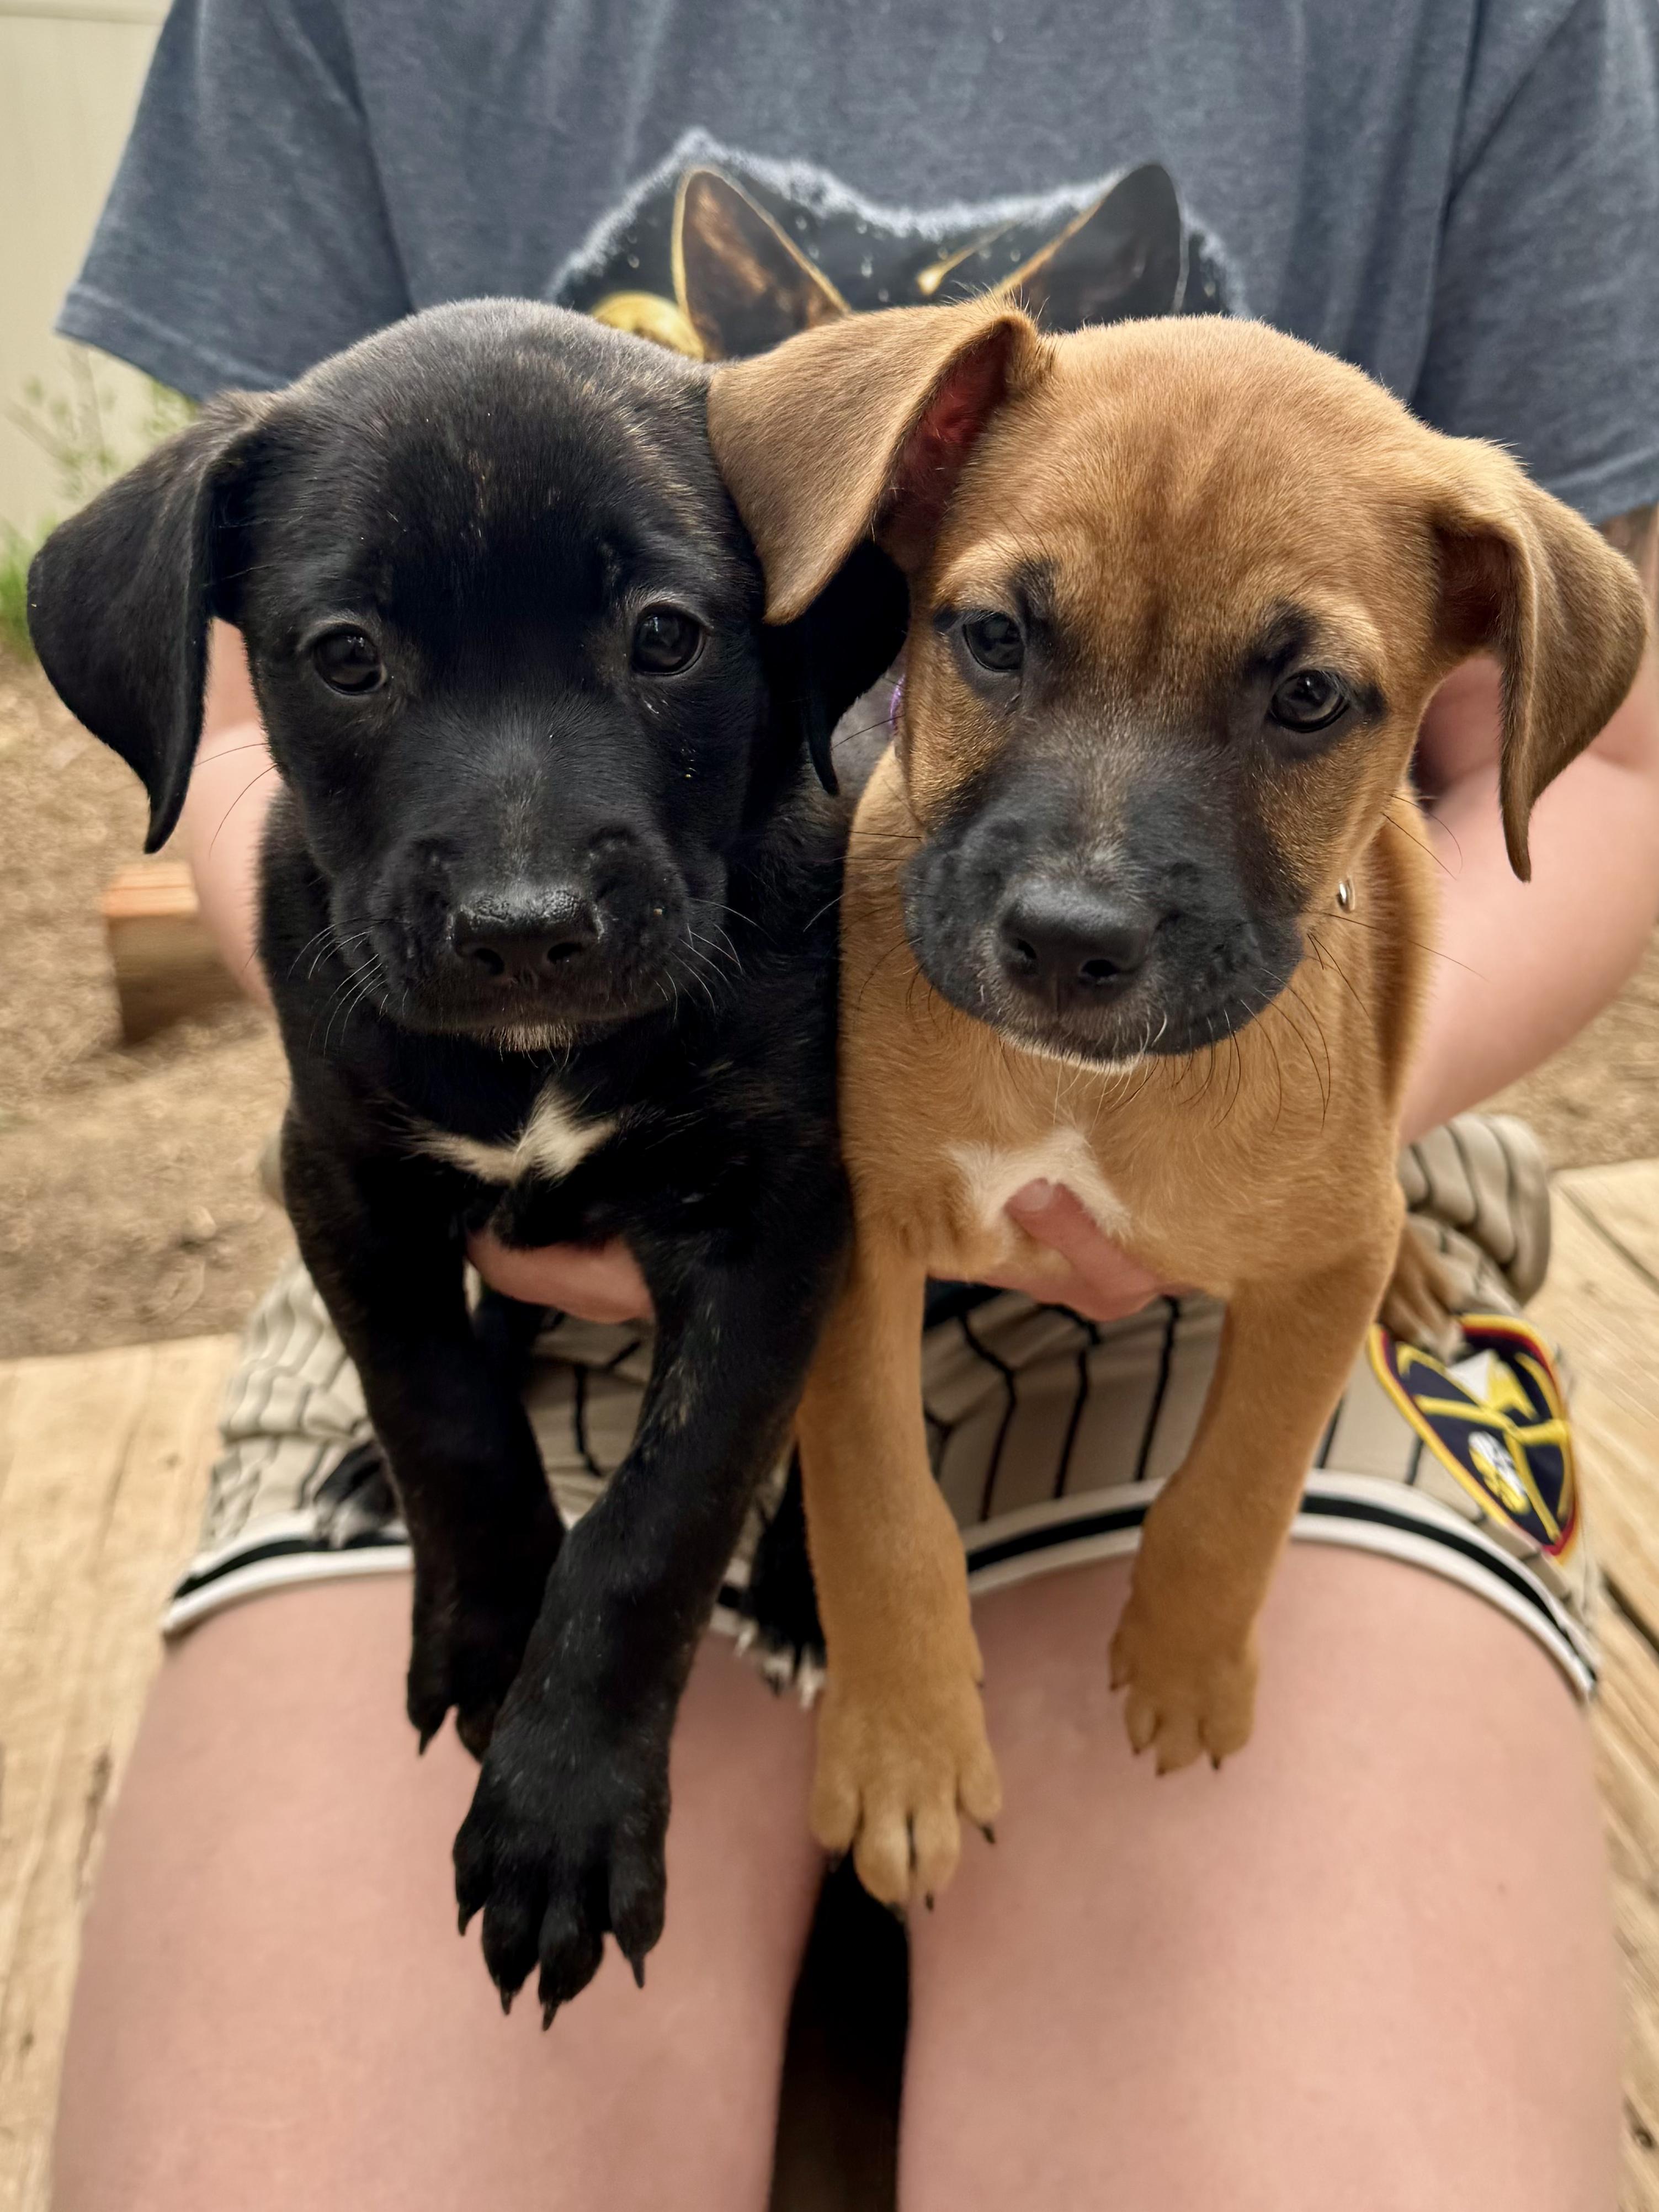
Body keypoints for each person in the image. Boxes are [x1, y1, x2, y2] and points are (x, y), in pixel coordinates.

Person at [44, 3, 1659, 2205]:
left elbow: (1605, 775)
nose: (1089, 891)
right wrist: (429, 1063)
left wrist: (1302, 1113)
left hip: (1253, 1172)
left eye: (1295, 692)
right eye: (988, 635)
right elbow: (242, 686)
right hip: (613, 1211)